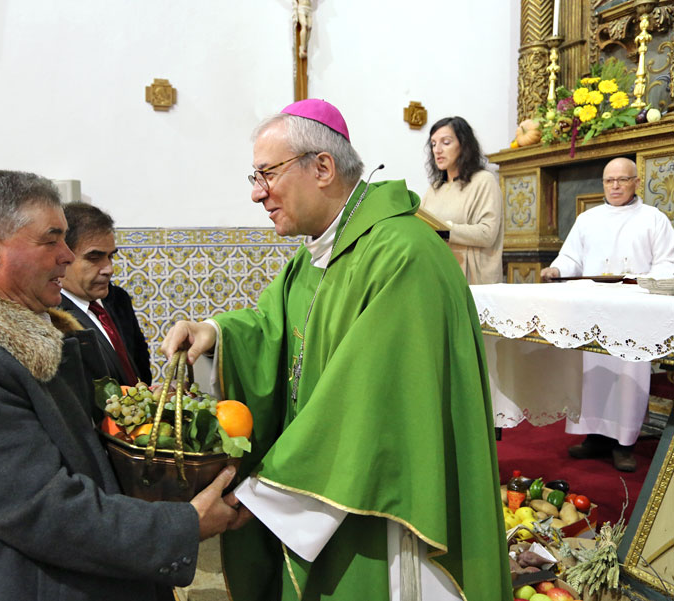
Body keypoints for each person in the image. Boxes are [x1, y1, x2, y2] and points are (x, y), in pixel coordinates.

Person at [161, 100, 509, 601]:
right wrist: (214, 332)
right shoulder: (317, 254)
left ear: (322, 167)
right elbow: (271, 326)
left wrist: (259, 496)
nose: (257, 193)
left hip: (386, 504)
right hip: (331, 494)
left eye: (267, 174)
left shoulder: (400, 252)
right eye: (254, 176)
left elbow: (366, 401)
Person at [0, 170, 241, 601]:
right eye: (52, 239)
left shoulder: (43, 334)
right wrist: (183, 525)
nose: (66, 255)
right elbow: (41, 509)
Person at [541, 157, 674, 471]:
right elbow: (572, 255)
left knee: (627, 376)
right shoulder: (589, 218)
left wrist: (647, 284)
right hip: (593, 309)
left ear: (636, 182)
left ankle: (624, 442)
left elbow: (667, 264)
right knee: (592, 373)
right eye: (609, 180)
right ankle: (594, 437)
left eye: (622, 180)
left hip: (633, 311)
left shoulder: (653, 219)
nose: (615, 186)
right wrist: (558, 268)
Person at [59, 202, 152, 389]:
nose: (108, 269)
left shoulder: (118, 299)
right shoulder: (54, 316)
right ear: (63, 257)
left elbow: (140, 367)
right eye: (94, 258)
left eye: (110, 256)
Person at [420, 116, 504, 284]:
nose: (437, 150)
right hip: (439, 275)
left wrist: (445, 230)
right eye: (434, 144)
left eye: (446, 142)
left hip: (473, 279)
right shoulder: (435, 188)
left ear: (464, 145)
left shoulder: (483, 181)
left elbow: (487, 234)